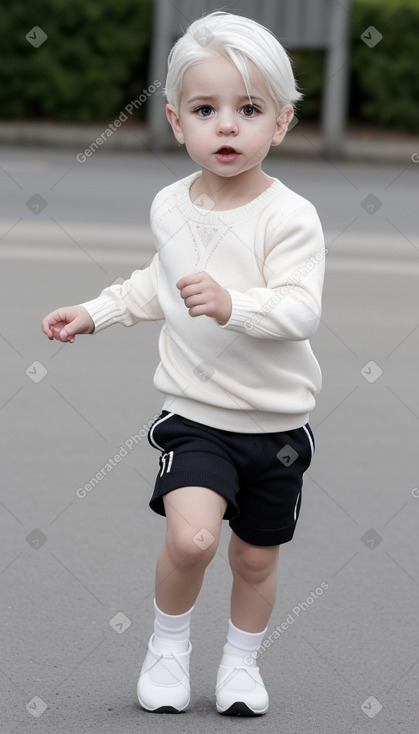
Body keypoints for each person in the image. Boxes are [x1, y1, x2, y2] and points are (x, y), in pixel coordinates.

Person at [42, 11, 325, 717]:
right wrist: (96, 312)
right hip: (194, 415)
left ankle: (239, 665)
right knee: (193, 536)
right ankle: (168, 647)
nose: (226, 126)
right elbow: (156, 283)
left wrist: (234, 304)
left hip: (278, 427)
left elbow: (300, 309)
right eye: (206, 110)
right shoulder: (170, 205)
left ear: (281, 124)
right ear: (176, 120)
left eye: (248, 109)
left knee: (255, 558)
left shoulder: (289, 217)